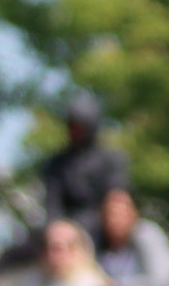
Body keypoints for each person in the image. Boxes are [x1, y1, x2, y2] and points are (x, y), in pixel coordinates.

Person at [33, 98, 128, 233]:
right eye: (72, 126)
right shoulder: (57, 164)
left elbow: (116, 199)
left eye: (79, 127)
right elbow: (53, 205)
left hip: (104, 228)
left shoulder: (112, 160)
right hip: (68, 227)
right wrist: (57, 230)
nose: (74, 131)